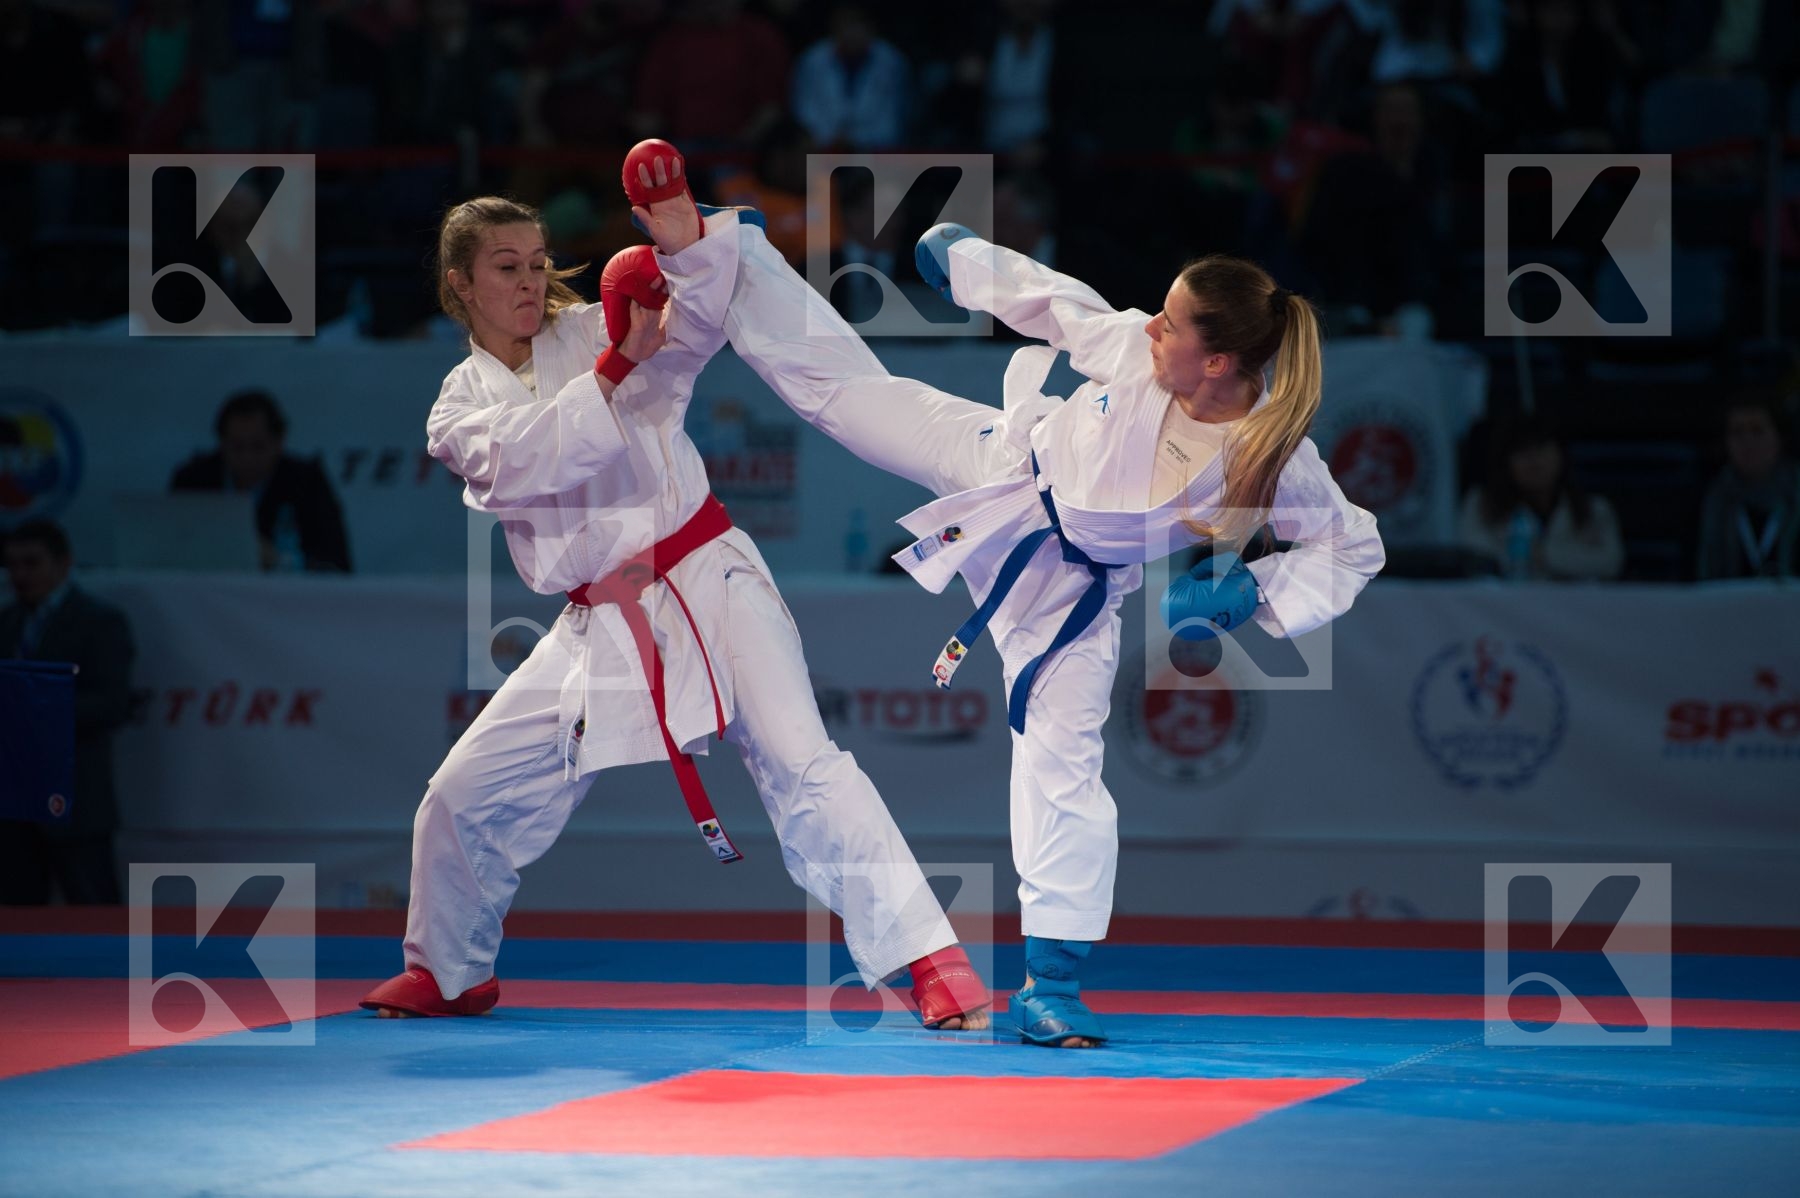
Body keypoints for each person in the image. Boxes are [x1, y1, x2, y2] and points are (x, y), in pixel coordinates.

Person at [673, 145, 1384, 1045]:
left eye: (1172, 324)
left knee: (1062, 760)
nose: (1151, 328)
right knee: (844, 398)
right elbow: (1061, 305)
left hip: (1070, 588)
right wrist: (965, 259)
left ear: (1220, 362)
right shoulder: (1141, 351)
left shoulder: (1270, 454)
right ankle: (725, 254)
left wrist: (1251, 593)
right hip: (1006, 466)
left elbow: (1354, 543)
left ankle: (1054, 981)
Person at [359, 151, 989, 1031]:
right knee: (460, 796)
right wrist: (616, 370)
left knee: (802, 762)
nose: (531, 282)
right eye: (507, 268)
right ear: (459, 283)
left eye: (540, 263)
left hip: (705, 575)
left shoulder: (598, 327)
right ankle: (447, 972)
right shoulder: (459, 404)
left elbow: (695, 321)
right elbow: (520, 463)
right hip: (597, 622)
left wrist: (677, 236)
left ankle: (931, 961)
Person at [0, 519, 135, 904]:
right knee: (17, 924)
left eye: (31, 563)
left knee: (96, 915)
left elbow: (112, 703)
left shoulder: (100, 623)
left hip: (76, 801)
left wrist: (31, 712)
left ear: (64, 563)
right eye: (12, 564)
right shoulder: (6, 623)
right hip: (13, 803)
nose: (20, 575)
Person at [170, 389, 353, 573]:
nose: (247, 458)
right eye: (237, 446)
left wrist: (281, 561)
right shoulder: (193, 481)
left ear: (279, 442)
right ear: (221, 443)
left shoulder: (307, 482)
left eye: (258, 447)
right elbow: (169, 552)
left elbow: (336, 563)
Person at [1458, 417, 1624, 581]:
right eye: (1522, 450)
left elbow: (1610, 563)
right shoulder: (1480, 503)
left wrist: (1544, 554)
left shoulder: (1594, 508)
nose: (1533, 459)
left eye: (1541, 447)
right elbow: (1477, 556)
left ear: (1561, 454)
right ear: (1506, 461)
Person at [1696, 394, 1799, 580]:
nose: (1747, 442)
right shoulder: (1714, 500)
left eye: (1757, 430)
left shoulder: (1795, 492)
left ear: (1779, 437)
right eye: (1737, 432)